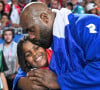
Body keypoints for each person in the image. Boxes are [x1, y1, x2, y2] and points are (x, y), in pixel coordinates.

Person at [16, 2, 100, 90]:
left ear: (44, 18)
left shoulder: (85, 25)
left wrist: (60, 81)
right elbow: (25, 66)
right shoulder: (47, 40)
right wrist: (21, 82)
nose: (31, 36)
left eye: (31, 30)